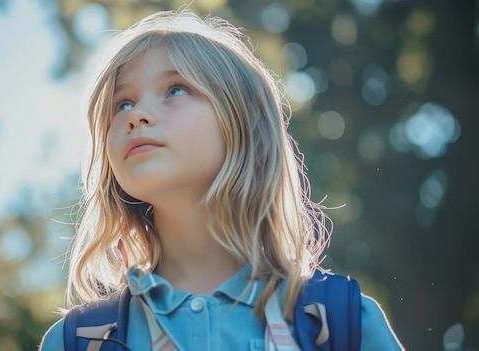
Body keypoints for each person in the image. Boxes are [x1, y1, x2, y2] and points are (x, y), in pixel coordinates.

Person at [40, 9, 403, 351]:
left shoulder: (342, 322)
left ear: (244, 126)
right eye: (122, 104)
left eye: (175, 90)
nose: (136, 116)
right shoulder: (77, 341)